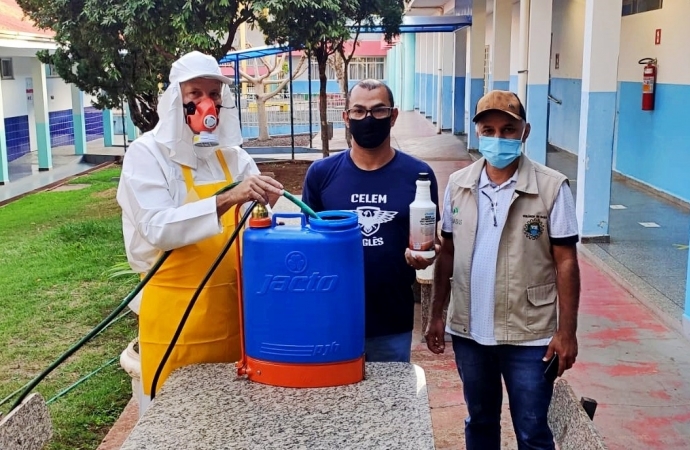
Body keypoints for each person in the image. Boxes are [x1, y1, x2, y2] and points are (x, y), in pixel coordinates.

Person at [116, 51, 283, 415]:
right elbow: (158, 227)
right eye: (195, 94)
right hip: (176, 316)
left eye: (214, 94)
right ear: (177, 99)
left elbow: (262, 226)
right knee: (177, 422)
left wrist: (267, 205)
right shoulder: (148, 155)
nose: (207, 103)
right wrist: (228, 199)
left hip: (234, 314)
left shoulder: (233, 157)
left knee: (234, 418)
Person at [426, 90, 581, 450]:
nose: (499, 138)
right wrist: (437, 314)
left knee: (532, 430)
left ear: (524, 132)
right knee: (480, 422)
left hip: (529, 335)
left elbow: (566, 261)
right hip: (470, 331)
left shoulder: (551, 187)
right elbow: (447, 251)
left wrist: (567, 332)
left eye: (508, 130)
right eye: (490, 129)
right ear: (478, 132)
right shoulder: (459, 184)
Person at [302, 79, 440, 363]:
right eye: (359, 111)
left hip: (392, 323)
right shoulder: (321, 174)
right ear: (346, 118)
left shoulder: (419, 176)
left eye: (379, 111)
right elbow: (308, 247)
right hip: (332, 319)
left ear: (394, 116)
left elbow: (427, 240)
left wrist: (426, 255)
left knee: (389, 405)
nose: (368, 119)